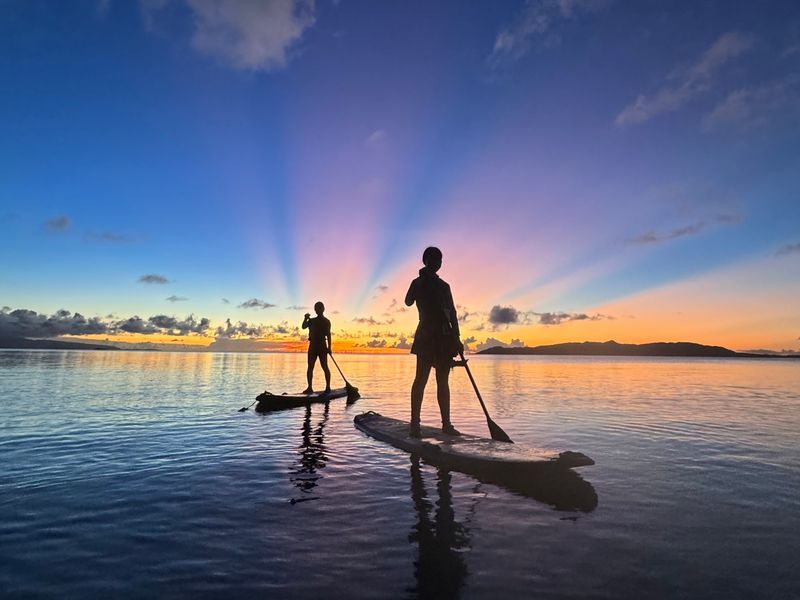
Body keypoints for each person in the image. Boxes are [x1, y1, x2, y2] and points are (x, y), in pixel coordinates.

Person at [405, 246, 463, 438]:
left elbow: (452, 313)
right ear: (425, 260)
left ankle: (446, 424)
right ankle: (415, 425)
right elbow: (408, 301)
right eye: (434, 258)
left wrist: (457, 338)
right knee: (420, 380)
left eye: (440, 259)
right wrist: (422, 280)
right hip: (425, 337)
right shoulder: (418, 283)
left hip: (444, 338)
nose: (438, 262)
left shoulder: (444, 286)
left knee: (442, 382)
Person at [302, 301, 332, 394]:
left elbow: (329, 335)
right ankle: (310, 387)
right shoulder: (311, 321)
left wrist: (329, 347)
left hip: (322, 346)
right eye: (316, 308)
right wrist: (305, 318)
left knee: (324, 366)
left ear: (323, 309)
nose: (318, 310)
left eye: (320, 308)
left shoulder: (326, 321)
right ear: (315, 310)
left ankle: (328, 387)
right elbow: (303, 327)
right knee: (310, 367)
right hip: (313, 346)